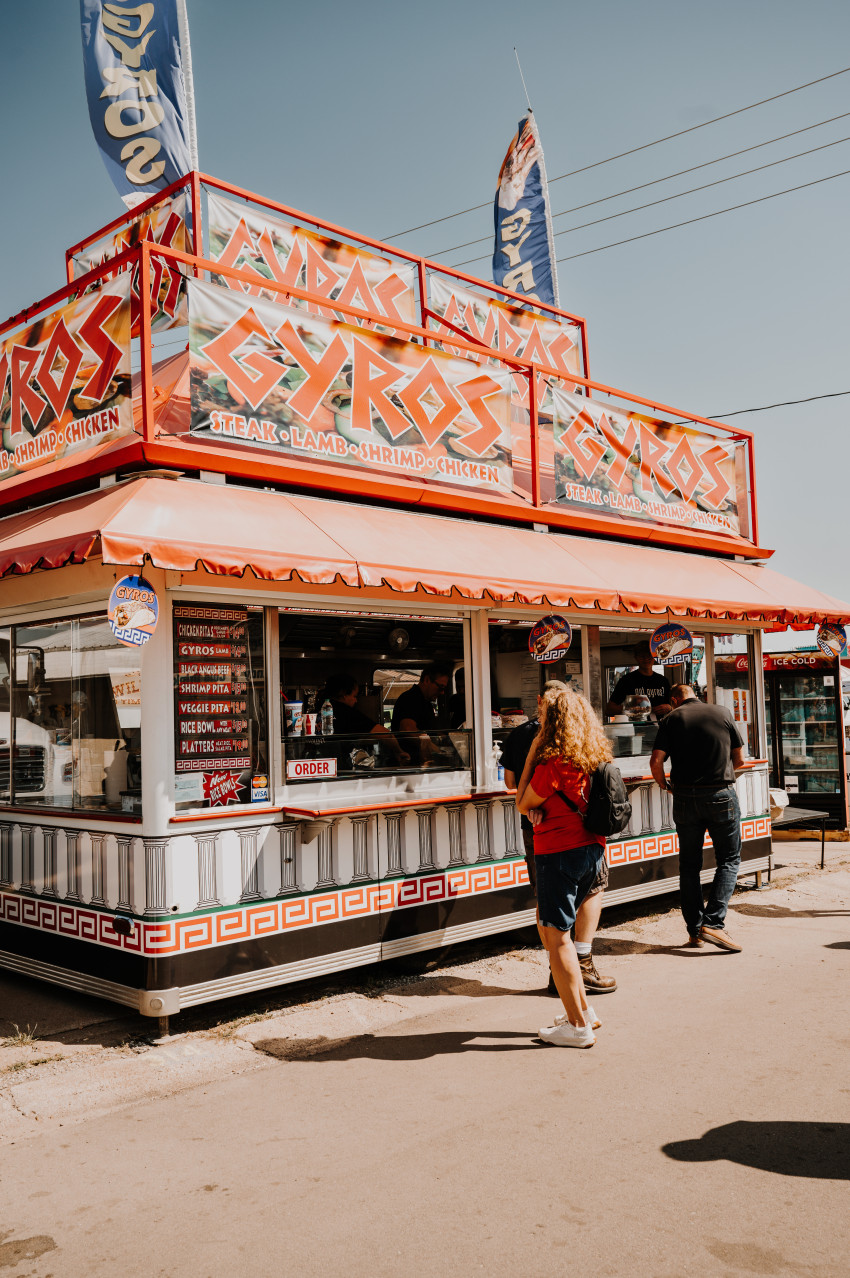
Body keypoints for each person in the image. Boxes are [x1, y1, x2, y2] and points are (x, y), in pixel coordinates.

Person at [502, 680, 616, 997]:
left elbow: (520, 795)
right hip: (592, 839)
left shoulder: (548, 758)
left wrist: (532, 801)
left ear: (543, 705)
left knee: (551, 905)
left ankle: (561, 971)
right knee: (592, 891)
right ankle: (583, 961)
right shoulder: (594, 750)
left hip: (553, 840)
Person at [650, 684, 745, 952]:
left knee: (689, 865)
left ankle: (695, 932)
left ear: (674, 700)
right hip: (720, 795)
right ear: (696, 695)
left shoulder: (670, 719)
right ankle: (714, 923)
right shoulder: (723, 712)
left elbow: (656, 762)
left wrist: (665, 785)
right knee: (728, 859)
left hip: (684, 799)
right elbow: (740, 758)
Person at [321, 674, 409, 764]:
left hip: (321, 763)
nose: (356, 701)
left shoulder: (319, 707)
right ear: (344, 694)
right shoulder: (347, 712)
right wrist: (399, 752)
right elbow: (385, 734)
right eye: (354, 696)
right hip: (340, 764)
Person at [391, 662, 452, 763]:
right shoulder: (410, 698)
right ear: (427, 680)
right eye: (440, 687)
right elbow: (407, 729)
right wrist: (433, 747)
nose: (442, 692)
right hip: (409, 762)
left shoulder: (426, 703)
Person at [606, 641, 672, 718]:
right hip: (634, 728)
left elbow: (674, 706)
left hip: (661, 727)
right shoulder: (627, 680)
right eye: (642, 656)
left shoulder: (663, 681)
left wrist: (669, 708)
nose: (646, 659)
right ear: (636, 658)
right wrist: (630, 709)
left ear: (655, 656)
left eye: (649, 656)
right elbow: (609, 709)